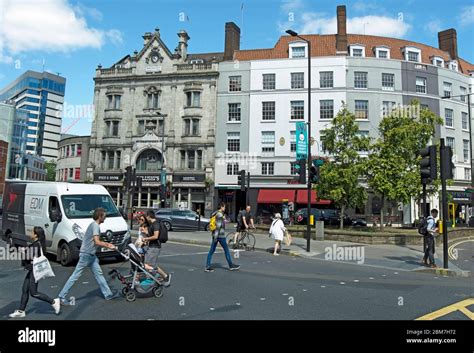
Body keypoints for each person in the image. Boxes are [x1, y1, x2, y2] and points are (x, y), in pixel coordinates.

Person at [58, 208, 120, 304]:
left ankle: (108, 294)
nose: (105, 217)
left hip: (91, 255)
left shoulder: (93, 225)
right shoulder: (95, 226)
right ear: (100, 216)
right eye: (104, 215)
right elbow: (97, 241)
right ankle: (61, 296)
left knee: (99, 274)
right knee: (75, 276)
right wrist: (109, 245)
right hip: (86, 255)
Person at [9, 227, 61, 318]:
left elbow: (29, 256)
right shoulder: (36, 243)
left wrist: (20, 251)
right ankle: (21, 311)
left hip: (34, 270)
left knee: (34, 293)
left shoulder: (37, 244)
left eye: (32, 232)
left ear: (36, 235)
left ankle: (53, 302)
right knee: (25, 289)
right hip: (32, 269)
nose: (30, 233)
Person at [206, 202, 240, 272]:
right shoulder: (219, 214)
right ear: (221, 207)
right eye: (224, 207)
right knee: (226, 250)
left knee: (211, 251)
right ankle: (231, 265)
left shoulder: (215, 213)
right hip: (220, 235)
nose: (225, 208)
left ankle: (207, 266)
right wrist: (216, 237)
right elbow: (218, 226)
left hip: (215, 235)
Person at [143, 210, 171, 287]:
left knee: (149, 264)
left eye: (146, 216)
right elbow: (153, 235)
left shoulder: (155, 224)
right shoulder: (153, 224)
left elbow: (155, 236)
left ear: (148, 216)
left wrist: (146, 239)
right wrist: (146, 233)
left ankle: (162, 276)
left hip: (155, 247)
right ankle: (158, 277)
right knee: (148, 264)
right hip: (152, 246)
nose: (146, 217)